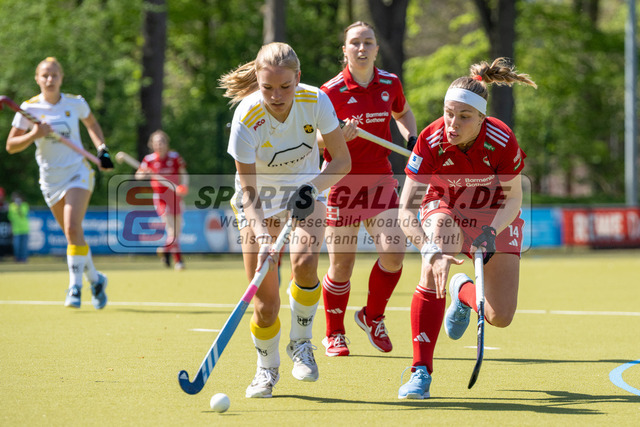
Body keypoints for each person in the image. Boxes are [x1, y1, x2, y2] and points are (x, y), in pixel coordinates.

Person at [396, 58, 537, 399]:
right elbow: (405, 210)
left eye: (464, 117)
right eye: (448, 113)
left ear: (481, 118)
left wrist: (492, 231)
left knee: (500, 316)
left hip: (494, 212)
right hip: (443, 205)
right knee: (435, 261)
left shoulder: (501, 139)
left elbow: (514, 199)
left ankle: (462, 291)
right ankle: (420, 371)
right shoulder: (430, 140)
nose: (452, 124)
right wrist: (429, 249)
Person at [219, 42, 351, 398]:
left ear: (298, 78)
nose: (276, 96)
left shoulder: (316, 100)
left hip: (306, 190)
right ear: (257, 81)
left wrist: (311, 187)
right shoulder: (246, 118)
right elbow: (248, 193)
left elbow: (342, 161)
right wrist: (262, 236)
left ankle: (301, 343)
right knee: (265, 306)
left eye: (285, 86)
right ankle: (267, 369)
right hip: (258, 202)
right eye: (267, 88)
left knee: (305, 263)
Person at [318, 21, 418, 356]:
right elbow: (312, 139)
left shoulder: (390, 83)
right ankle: (334, 333)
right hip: (341, 183)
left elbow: (403, 112)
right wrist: (335, 136)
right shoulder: (329, 92)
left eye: (368, 42)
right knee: (341, 267)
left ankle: (372, 316)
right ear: (344, 50)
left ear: (376, 49)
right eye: (355, 43)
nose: (361, 48)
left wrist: (411, 136)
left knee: (394, 252)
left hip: (379, 179)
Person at [5, 57, 113, 309]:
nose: (50, 79)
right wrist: (34, 134)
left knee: (73, 227)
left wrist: (102, 148)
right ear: (37, 79)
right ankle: (96, 279)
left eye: (54, 75)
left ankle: (75, 288)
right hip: (50, 180)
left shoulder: (75, 103)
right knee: (73, 235)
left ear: (62, 78)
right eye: (45, 75)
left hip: (78, 172)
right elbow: (11, 146)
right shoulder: (29, 108)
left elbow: (92, 123)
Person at [136, 130, 189, 271]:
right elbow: (138, 176)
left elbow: (183, 174)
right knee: (171, 229)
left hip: (176, 197)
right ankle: (179, 261)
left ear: (167, 143)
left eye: (162, 142)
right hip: (161, 198)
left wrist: (184, 186)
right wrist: (144, 174)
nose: (159, 145)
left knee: (177, 232)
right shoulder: (149, 160)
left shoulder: (175, 157)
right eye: (157, 143)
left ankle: (165, 250)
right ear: (152, 145)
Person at [7, 191, 30, 263]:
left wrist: (19, 207)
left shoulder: (24, 205)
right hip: (16, 230)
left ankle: (24, 259)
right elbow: (10, 217)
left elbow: (23, 213)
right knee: (17, 246)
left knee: (24, 246)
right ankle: (17, 258)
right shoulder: (11, 206)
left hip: (24, 229)